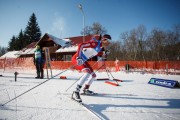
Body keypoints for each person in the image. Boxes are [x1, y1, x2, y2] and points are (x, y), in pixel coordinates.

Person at [71, 34, 111, 102]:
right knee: (87, 73)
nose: (109, 43)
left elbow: (97, 53)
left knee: (93, 75)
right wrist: (78, 57)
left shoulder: (100, 48)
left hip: (84, 61)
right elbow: (81, 45)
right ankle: (76, 91)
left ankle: (85, 89)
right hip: (77, 59)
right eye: (108, 40)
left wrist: (104, 53)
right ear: (104, 40)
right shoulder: (95, 43)